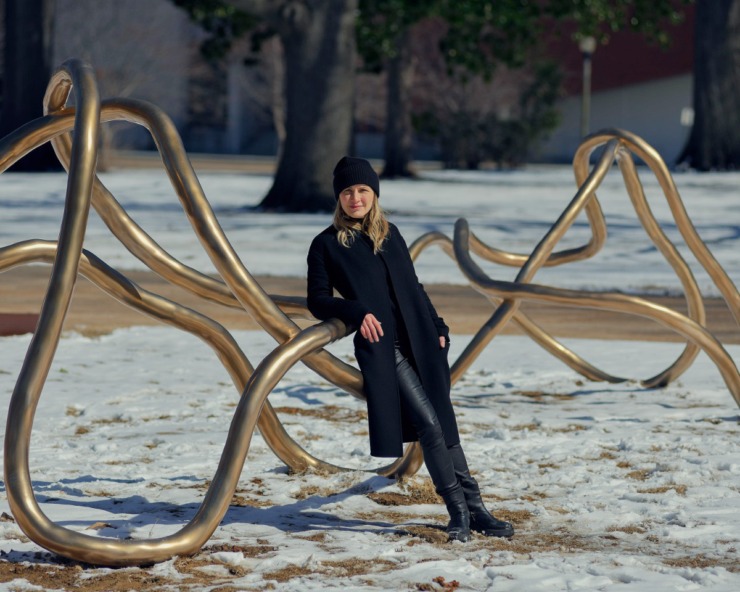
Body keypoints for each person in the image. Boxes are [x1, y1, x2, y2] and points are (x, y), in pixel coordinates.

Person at [306, 156, 514, 542]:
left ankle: (478, 511)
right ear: (339, 197)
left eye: (363, 190)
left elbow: (414, 287)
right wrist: (354, 310)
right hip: (385, 348)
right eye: (348, 191)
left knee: (445, 425)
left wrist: (437, 326)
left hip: (421, 341)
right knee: (429, 426)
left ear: (374, 195)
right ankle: (458, 513)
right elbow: (317, 300)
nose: (355, 198)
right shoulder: (326, 244)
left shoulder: (391, 234)